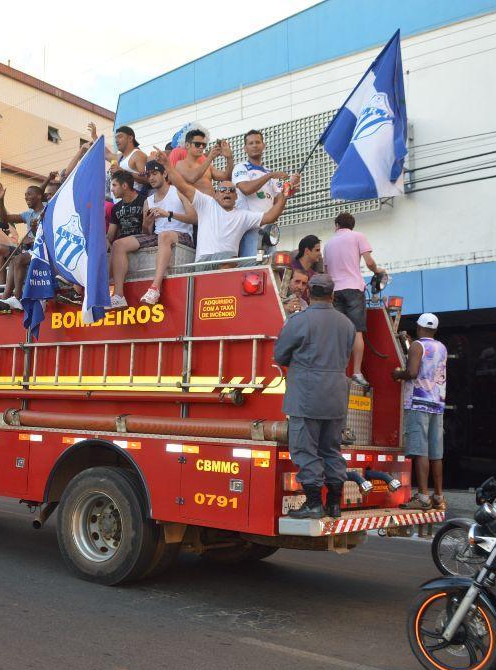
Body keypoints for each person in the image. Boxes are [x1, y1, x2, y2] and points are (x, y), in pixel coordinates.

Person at [273, 273, 355, 519]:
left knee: (306, 450)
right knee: (331, 449)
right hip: (336, 396)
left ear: (309, 292)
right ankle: (333, 503)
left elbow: (280, 356)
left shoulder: (299, 321)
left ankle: (313, 503)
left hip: (307, 396)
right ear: (332, 294)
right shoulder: (347, 324)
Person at [151, 149, 296, 266]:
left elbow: (271, 216)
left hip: (228, 263)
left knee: (261, 262)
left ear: (236, 197)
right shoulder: (206, 203)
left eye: (231, 190)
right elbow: (181, 184)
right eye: (222, 190)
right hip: (205, 262)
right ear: (215, 194)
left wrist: (285, 193)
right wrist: (167, 165)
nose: (227, 192)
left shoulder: (243, 215)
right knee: (229, 257)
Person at [108, 160, 196, 308]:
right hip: (158, 236)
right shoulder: (148, 200)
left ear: (165, 174)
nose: (151, 178)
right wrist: (146, 223)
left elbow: (194, 218)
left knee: (164, 236)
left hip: (182, 235)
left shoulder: (178, 190)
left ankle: (155, 288)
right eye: (148, 175)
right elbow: (146, 232)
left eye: (155, 174)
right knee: (118, 244)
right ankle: (118, 295)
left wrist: (168, 214)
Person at [322, 212, 387, 388]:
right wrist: (377, 271)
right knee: (356, 331)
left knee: (339, 332)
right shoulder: (358, 236)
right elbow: (369, 262)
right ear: (352, 225)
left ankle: (338, 371)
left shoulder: (328, 245)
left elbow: (326, 272)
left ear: (336, 225)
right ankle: (357, 372)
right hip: (354, 288)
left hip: (335, 291)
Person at [395, 313, 449, 511]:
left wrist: (397, 374)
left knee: (420, 451)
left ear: (418, 328)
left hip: (418, 403)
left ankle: (423, 497)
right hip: (437, 403)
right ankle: (439, 497)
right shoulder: (442, 347)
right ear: (434, 330)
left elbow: (412, 372)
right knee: (436, 453)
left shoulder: (418, 346)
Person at [232, 130, 290, 257]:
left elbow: (279, 202)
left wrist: (289, 188)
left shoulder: (270, 173)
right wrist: (270, 176)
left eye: (257, 142)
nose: (254, 145)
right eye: (251, 143)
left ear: (263, 145)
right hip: (249, 230)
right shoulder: (241, 167)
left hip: (269, 232)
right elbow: (246, 189)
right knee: (251, 269)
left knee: (269, 269)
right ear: (245, 148)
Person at [0, 182, 42, 313]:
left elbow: (42, 237)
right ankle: (4, 293)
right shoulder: (28, 214)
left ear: (39, 196)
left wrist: (34, 232)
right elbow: (4, 219)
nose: (26, 197)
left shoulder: (47, 209)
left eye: (29, 194)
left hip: (41, 249)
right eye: (25, 195)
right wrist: (0, 200)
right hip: (29, 248)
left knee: (17, 260)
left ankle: (17, 297)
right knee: (0, 249)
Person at [175, 130, 234, 196]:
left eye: (203, 145)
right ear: (187, 145)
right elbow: (192, 178)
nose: (201, 147)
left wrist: (229, 158)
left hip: (212, 203)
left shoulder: (206, 165)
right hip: (195, 205)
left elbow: (227, 177)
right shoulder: (180, 164)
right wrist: (210, 157)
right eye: (197, 144)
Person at [108, 170, 147, 244]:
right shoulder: (116, 208)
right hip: (121, 244)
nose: (112, 190)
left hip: (140, 242)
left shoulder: (145, 201)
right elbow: (110, 236)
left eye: (114, 185)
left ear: (124, 186)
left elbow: (148, 230)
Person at [109, 125, 148, 200]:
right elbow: (107, 154)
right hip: (120, 204)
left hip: (134, 203)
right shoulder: (119, 157)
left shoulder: (138, 154)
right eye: (115, 138)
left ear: (130, 138)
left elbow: (146, 179)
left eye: (120, 137)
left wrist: (123, 171)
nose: (116, 141)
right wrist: (94, 136)